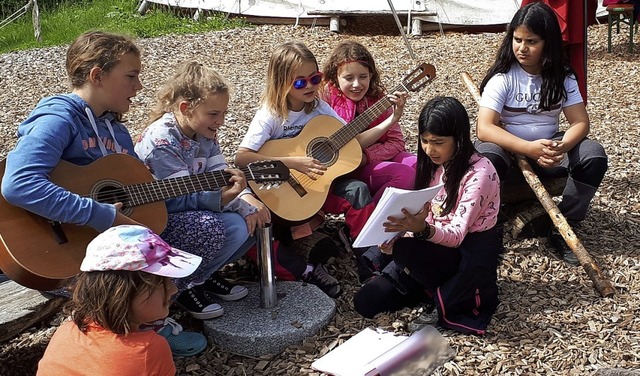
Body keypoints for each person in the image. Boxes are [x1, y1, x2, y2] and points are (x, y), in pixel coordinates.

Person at [0, 31, 216, 352]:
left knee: (202, 229)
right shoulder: (59, 117)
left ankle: (148, 318)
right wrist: (103, 215)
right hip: (59, 249)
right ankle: (129, 334)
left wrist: (201, 185)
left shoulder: (115, 129)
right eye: (131, 76)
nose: (139, 86)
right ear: (97, 76)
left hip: (94, 241)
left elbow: (130, 187)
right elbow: (19, 184)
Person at [235, 42, 409, 288]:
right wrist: (293, 163)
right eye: (299, 82)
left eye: (315, 79)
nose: (309, 86)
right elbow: (242, 158)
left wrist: (391, 120)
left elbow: (352, 140)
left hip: (315, 189)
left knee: (357, 191)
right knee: (255, 225)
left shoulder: (319, 107)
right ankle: (301, 270)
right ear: (281, 81)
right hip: (276, 191)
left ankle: (369, 263)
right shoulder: (271, 114)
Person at [353, 97, 502, 335]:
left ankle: (444, 295)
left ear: (459, 139)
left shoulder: (480, 173)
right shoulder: (433, 165)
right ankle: (429, 288)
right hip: (429, 248)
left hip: (464, 254)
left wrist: (419, 231)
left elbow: (455, 235)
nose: (429, 149)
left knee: (406, 250)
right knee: (366, 302)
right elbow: (424, 214)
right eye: (424, 141)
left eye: (438, 142)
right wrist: (397, 234)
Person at [475, 2, 608, 266]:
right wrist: (528, 148)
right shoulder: (502, 78)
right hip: (511, 155)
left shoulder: (563, 76)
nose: (522, 48)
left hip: (550, 150)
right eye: (517, 39)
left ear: (549, 42)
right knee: (485, 157)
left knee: (593, 155)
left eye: (531, 41)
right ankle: (488, 229)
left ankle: (564, 223)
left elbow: (580, 122)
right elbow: (484, 128)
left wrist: (560, 147)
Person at [135, 60, 269, 319]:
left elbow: (219, 175)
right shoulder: (162, 141)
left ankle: (205, 276)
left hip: (190, 207)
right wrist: (228, 201)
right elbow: (181, 199)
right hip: (161, 220)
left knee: (256, 218)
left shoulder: (204, 133)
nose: (220, 121)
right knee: (223, 225)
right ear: (186, 108)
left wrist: (245, 201)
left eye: (223, 114)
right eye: (213, 114)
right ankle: (182, 286)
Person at [37, 225, 207, 375]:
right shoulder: (148, 349)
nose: (174, 289)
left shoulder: (68, 330)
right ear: (123, 293)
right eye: (161, 282)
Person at [321, 40, 416, 205]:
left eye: (363, 76)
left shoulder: (379, 98)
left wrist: (367, 156)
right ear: (335, 77)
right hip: (342, 169)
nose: (357, 84)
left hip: (369, 161)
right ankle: (371, 221)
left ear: (371, 75)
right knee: (404, 174)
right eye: (349, 78)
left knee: (417, 164)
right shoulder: (326, 100)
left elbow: (397, 142)